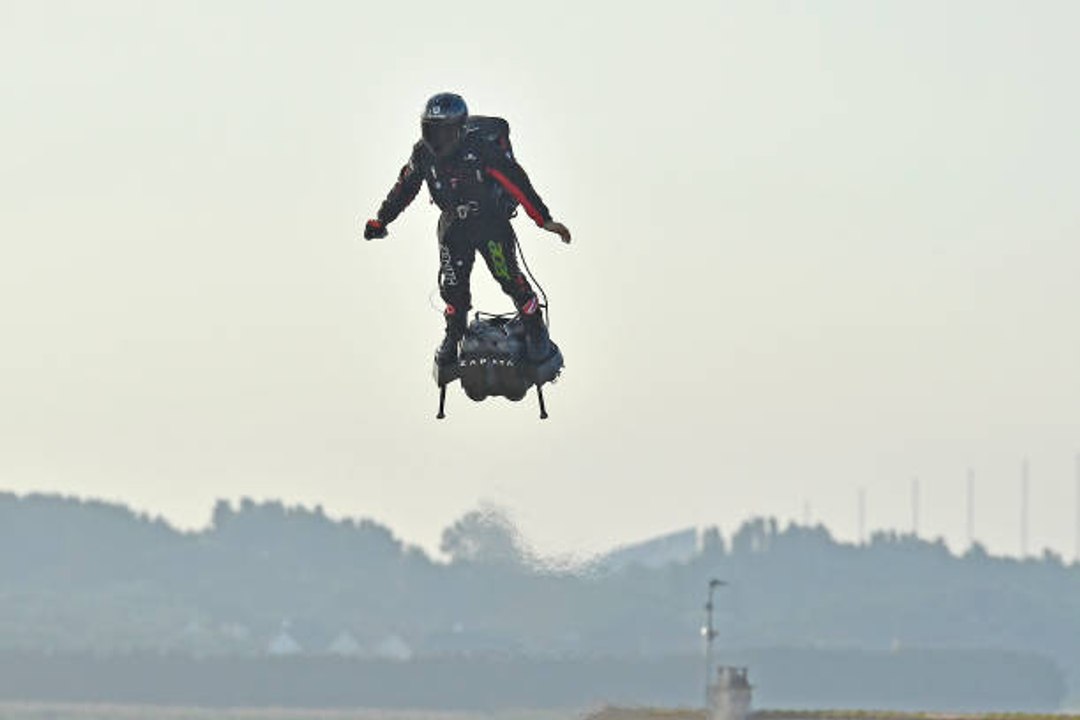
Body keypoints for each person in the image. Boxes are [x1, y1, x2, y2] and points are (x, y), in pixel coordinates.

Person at [363, 92, 571, 366]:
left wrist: (543, 220)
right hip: (453, 227)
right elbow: (404, 187)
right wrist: (382, 220)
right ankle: (453, 334)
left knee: (509, 278)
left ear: (459, 129)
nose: (437, 140)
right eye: (431, 130)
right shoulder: (422, 153)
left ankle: (535, 330)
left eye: (444, 132)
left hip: (491, 224)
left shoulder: (480, 148)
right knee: (452, 286)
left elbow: (515, 180)